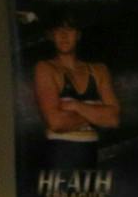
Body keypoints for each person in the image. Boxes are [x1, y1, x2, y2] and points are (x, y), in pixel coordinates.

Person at [33, 12, 120, 170]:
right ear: (51, 35)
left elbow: (113, 119)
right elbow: (56, 123)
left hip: (91, 155)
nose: (64, 35)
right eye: (58, 30)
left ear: (78, 35)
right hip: (59, 155)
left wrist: (75, 105)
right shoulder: (45, 68)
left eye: (70, 30)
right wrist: (96, 113)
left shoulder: (99, 70)